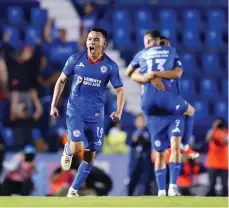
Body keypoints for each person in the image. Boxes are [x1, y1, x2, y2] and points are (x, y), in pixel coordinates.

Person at [50, 27, 125, 197]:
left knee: (91, 154)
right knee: (78, 147)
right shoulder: (75, 59)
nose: (91, 42)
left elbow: (120, 90)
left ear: (104, 44)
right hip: (75, 109)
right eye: (90, 39)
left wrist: (119, 111)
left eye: (96, 39)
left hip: (96, 115)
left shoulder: (110, 66)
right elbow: (61, 80)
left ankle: (73, 190)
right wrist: (54, 104)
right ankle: (68, 148)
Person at [126, 30, 195, 196]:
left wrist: (149, 76)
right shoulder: (170, 55)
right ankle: (162, 190)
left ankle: (172, 187)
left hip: (168, 110)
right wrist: (149, 77)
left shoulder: (150, 58)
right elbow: (177, 73)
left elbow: (131, 73)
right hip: (160, 110)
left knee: (175, 144)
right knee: (160, 153)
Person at [158, 36, 198, 159]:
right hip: (168, 97)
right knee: (190, 112)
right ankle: (184, 146)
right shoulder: (172, 58)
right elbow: (177, 73)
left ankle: (170, 144)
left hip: (157, 98)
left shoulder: (150, 59)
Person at [127, 114, 152, 196]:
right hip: (135, 160)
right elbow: (129, 143)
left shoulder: (149, 132)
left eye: (142, 121)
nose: (141, 123)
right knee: (132, 180)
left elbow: (152, 143)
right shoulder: (132, 132)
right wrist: (134, 139)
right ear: (135, 122)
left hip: (146, 159)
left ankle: (147, 196)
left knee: (146, 180)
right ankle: (129, 196)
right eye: (139, 121)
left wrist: (146, 139)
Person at [205, 118, 228, 196]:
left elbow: (226, 142)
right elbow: (207, 139)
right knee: (211, 184)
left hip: (224, 163)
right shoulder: (212, 132)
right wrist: (214, 127)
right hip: (212, 162)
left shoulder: (226, 132)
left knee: (224, 185)